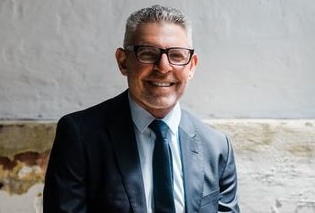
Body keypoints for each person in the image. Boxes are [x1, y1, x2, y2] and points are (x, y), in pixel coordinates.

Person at [43, 4, 239, 213]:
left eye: (177, 55)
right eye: (147, 53)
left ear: (191, 66)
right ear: (123, 61)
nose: (163, 67)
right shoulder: (80, 135)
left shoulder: (217, 147)